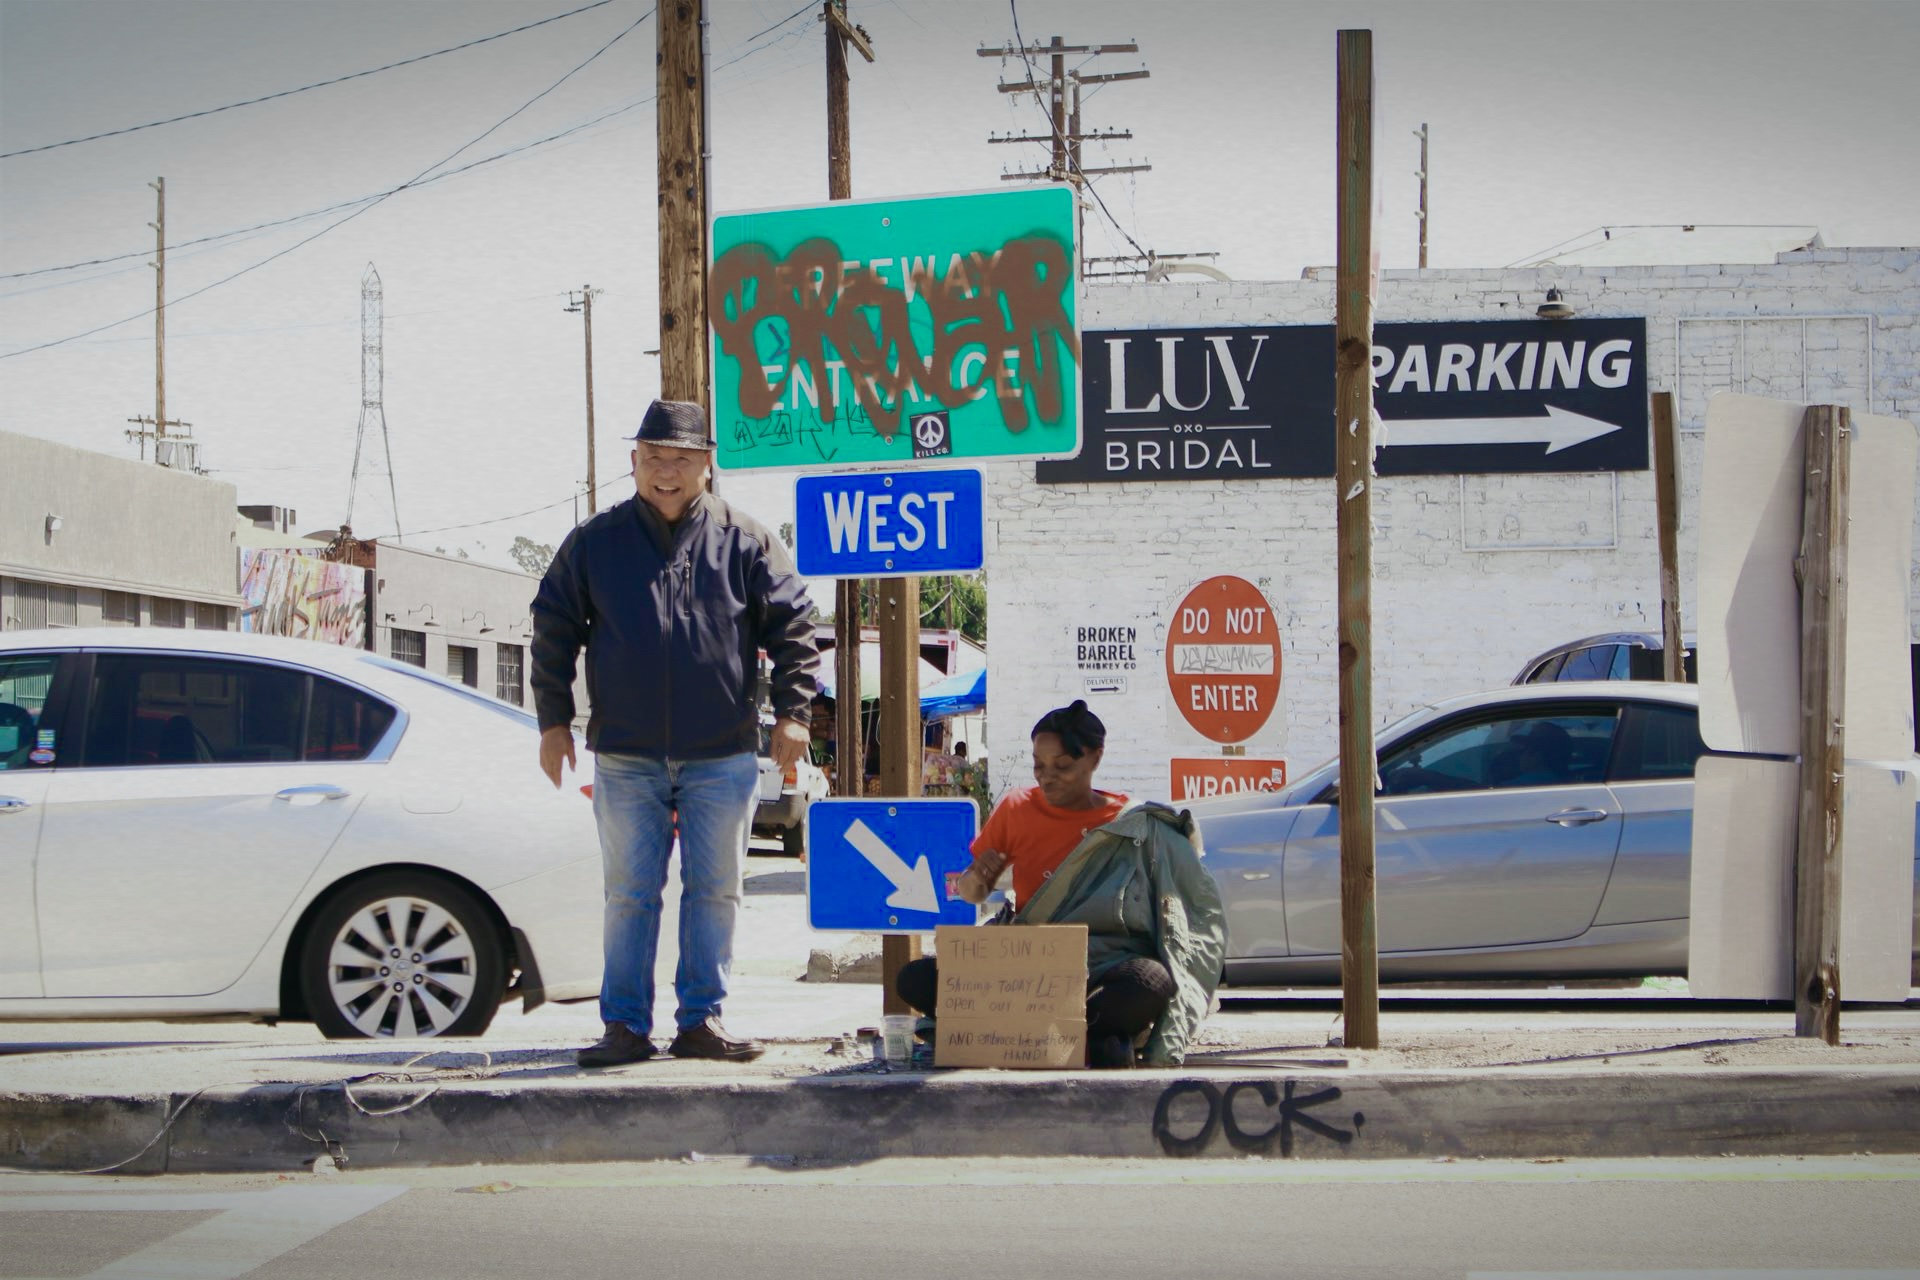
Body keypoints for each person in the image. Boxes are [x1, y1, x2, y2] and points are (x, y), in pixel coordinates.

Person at [531, 399, 820, 1068]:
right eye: (654, 458)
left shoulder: (746, 540)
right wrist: (553, 721)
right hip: (625, 755)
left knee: (715, 891)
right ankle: (624, 1026)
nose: (667, 472)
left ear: (706, 466)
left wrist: (796, 712)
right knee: (629, 896)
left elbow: (795, 625)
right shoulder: (595, 542)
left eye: (682, 460)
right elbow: (553, 627)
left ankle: (701, 1020)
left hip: (721, 754)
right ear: (633, 462)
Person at [895, 701, 1227, 1068]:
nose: (1047, 776)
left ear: (1094, 758)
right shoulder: (1017, 808)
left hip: (1099, 969)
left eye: (1062, 766)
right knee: (915, 978)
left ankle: (1030, 1038)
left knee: (1150, 982)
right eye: (1039, 765)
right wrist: (977, 878)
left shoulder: (1133, 826)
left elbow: (1190, 916)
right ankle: (1091, 1045)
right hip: (1025, 968)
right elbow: (972, 893)